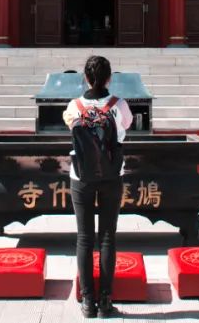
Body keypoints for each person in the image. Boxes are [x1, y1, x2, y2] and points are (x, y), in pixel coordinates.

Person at [62, 55, 133, 318]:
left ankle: (87, 301)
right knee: (107, 237)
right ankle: (105, 301)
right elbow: (127, 125)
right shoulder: (120, 105)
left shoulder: (74, 106)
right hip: (112, 174)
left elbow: (69, 125)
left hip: (81, 176)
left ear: (86, 77)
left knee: (84, 237)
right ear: (109, 78)